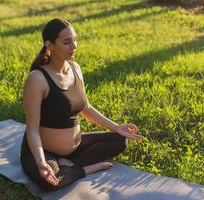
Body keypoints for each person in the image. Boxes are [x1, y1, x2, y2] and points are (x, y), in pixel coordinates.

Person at [20, 18, 144, 191]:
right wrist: (41, 161)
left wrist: (116, 127)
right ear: (49, 45)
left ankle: (70, 165)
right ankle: (84, 169)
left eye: (75, 40)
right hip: (45, 150)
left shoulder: (75, 68)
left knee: (119, 141)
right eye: (67, 42)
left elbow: (86, 108)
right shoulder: (37, 79)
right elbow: (32, 129)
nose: (74, 46)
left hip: (74, 149)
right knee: (49, 181)